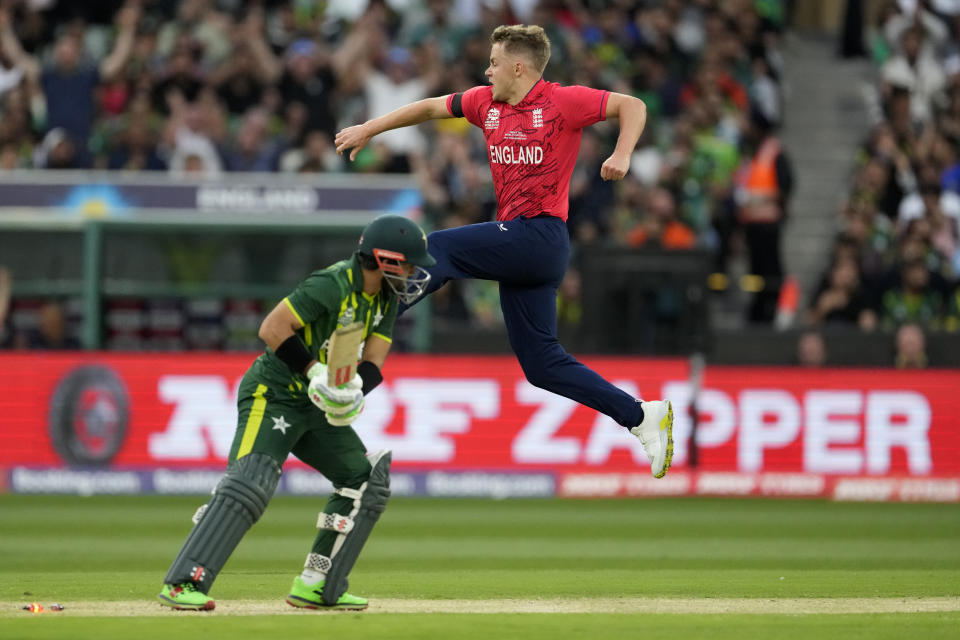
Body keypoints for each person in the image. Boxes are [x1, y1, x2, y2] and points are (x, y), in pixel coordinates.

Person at [334, 24, 674, 479]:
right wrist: (369, 129)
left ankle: (365, 312)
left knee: (440, 247)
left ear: (518, 66)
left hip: (539, 236)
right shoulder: (484, 103)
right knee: (541, 364)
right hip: (523, 250)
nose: (486, 70)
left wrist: (623, 154)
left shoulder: (562, 101)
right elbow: (432, 107)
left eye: (494, 63)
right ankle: (640, 417)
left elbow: (631, 105)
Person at [157, 215, 436, 612]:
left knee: (363, 479)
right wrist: (314, 371)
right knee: (251, 482)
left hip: (315, 406)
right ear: (386, 260)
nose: (414, 273)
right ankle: (184, 583)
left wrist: (354, 391)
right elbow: (272, 328)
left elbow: (373, 360)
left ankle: (318, 585)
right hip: (273, 394)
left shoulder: (385, 298)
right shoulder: (332, 283)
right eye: (410, 263)